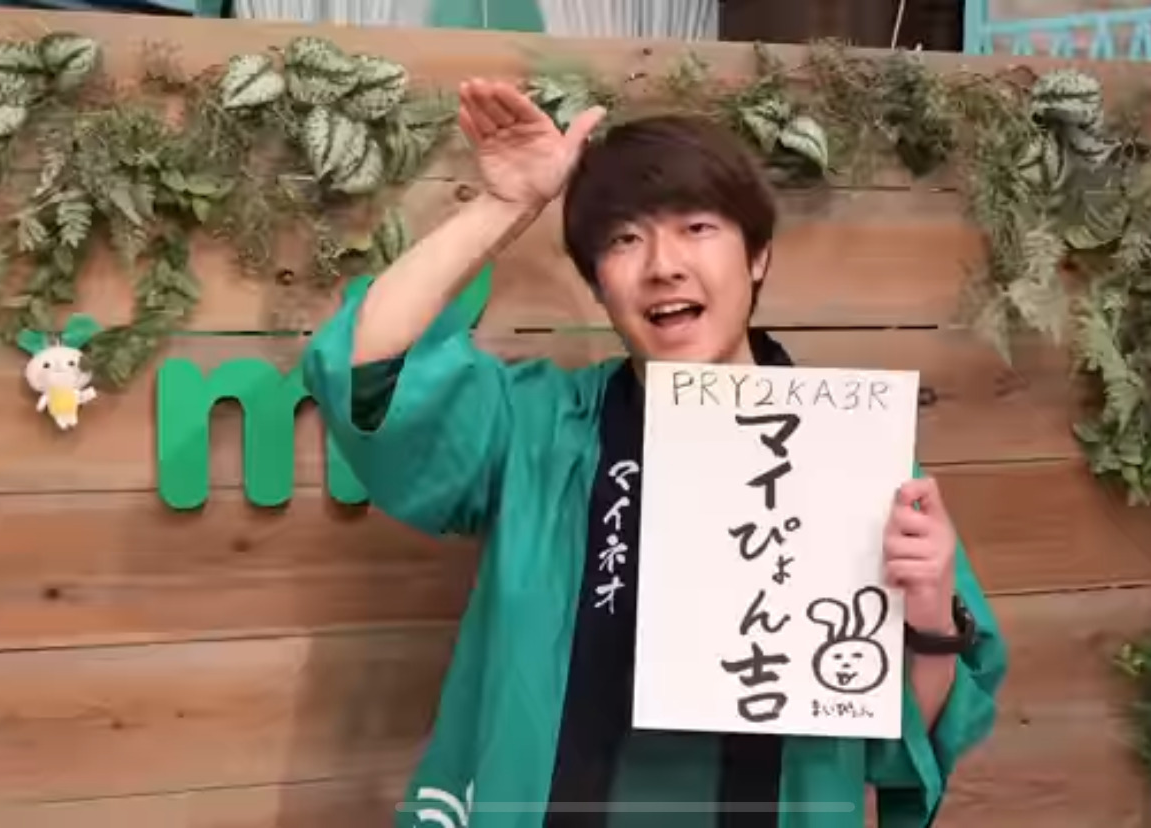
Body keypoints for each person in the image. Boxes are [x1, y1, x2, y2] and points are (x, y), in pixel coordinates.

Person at [303, 78, 1009, 828]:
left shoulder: (848, 455)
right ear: (598, 286)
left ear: (758, 257)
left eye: (697, 227)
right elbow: (366, 369)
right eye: (624, 240)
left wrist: (930, 618)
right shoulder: (541, 429)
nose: (663, 264)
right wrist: (505, 205)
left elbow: (898, 743)